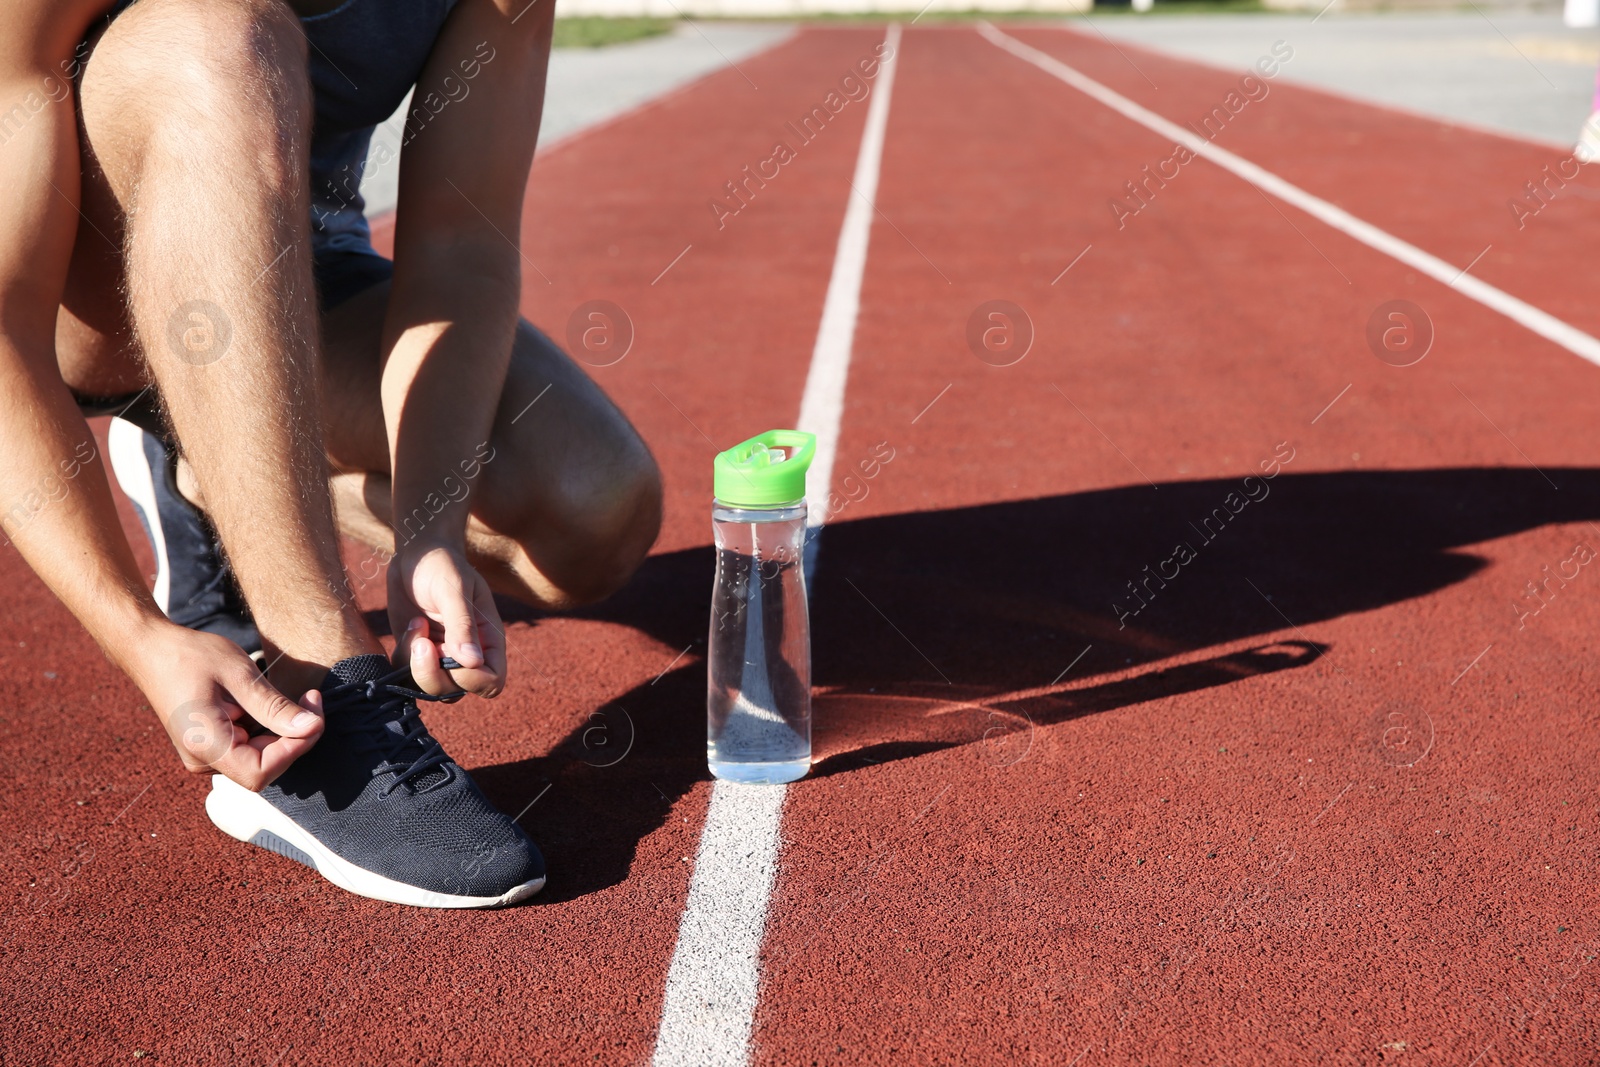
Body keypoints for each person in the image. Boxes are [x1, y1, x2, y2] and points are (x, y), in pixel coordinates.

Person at [0, 0, 663, 907]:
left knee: (589, 505)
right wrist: (139, 636)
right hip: (98, 301)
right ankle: (319, 676)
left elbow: (462, 246)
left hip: (306, 275)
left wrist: (428, 525)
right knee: (220, 32)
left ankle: (201, 472)